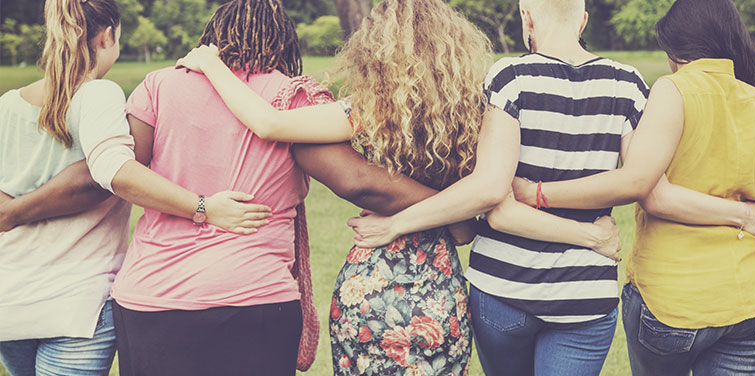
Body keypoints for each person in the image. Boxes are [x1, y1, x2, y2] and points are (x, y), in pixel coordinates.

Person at [177, 0, 627, 374]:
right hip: (439, 288)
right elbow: (487, 195)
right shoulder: (474, 113)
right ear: (455, 49)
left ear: (375, 49)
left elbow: (269, 123)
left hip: (370, 286)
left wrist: (211, 64)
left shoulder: (367, 110)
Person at [347, 1, 755, 375]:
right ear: (583, 21)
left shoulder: (510, 76)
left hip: (503, 289)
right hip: (586, 293)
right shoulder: (628, 83)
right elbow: (646, 182)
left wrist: (395, 225)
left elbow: (490, 190)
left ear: (526, 17)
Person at [503, 0, 755, 374]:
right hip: (751, 306)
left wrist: (538, 193)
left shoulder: (674, 91)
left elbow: (645, 187)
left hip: (674, 300)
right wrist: (744, 214)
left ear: (676, 49)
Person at [0, 0, 265, 375]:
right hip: (76, 306)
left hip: (9, 303)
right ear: (108, 36)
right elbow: (112, 170)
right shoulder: (98, 94)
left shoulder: (7, 105)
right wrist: (202, 206)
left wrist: (12, 211)